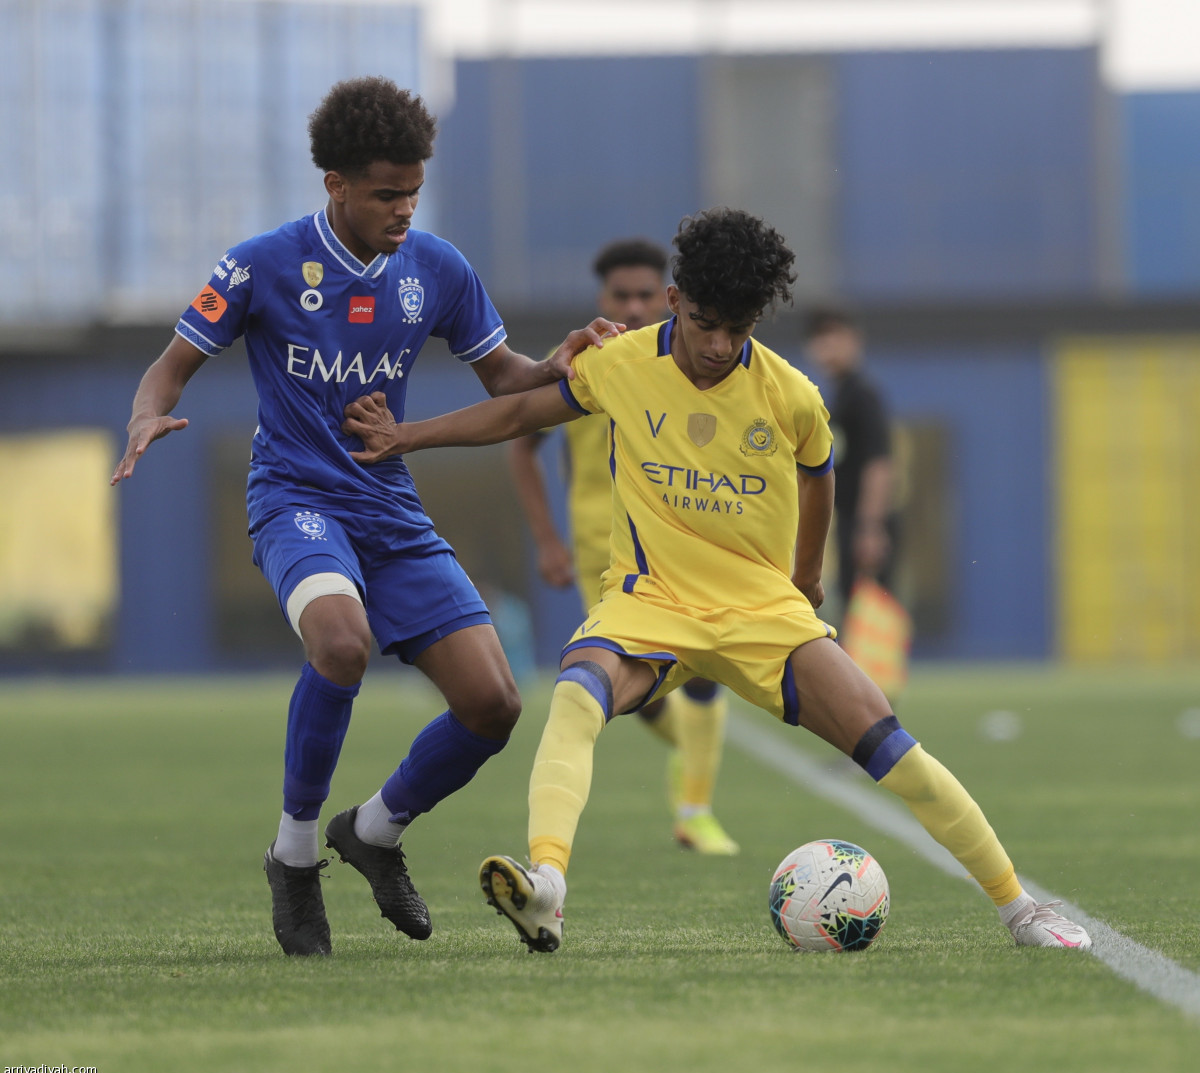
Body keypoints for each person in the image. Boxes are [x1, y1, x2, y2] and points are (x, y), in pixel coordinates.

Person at [341, 207, 1092, 956]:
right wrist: (408, 435)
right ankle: (548, 886)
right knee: (575, 696)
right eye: (706, 324)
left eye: (740, 329)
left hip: (761, 612)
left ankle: (1022, 911)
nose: (720, 345)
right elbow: (516, 415)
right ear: (675, 302)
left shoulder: (792, 394)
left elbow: (819, 475)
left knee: (892, 747)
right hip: (649, 604)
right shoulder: (622, 364)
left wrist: (802, 579)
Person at [110, 76, 615, 957]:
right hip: (296, 500)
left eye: (414, 191)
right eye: (387, 193)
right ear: (336, 184)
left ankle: (373, 832)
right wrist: (148, 412)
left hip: (390, 507)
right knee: (340, 646)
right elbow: (169, 367)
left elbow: (506, 379)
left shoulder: (438, 268)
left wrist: (559, 362)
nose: (404, 210)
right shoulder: (262, 263)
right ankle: (295, 856)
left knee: (495, 704)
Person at [506, 238, 737, 855]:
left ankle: (696, 808)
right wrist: (546, 540)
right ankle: (687, 764)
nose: (632, 307)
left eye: (644, 295)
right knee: (636, 696)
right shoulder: (585, 359)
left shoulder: (695, 360)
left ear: (667, 298)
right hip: (602, 556)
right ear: (602, 299)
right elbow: (519, 442)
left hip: (684, 550)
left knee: (707, 672)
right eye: (620, 295)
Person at [802, 307, 898, 611]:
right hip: (850, 520)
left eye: (836, 336)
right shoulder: (839, 395)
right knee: (855, 608)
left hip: (867, 521)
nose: (828, 346)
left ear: (855, 340)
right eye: (820, 338)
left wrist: (870, 527)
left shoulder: (862, 396)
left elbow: (879, 463)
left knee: (874, 613)